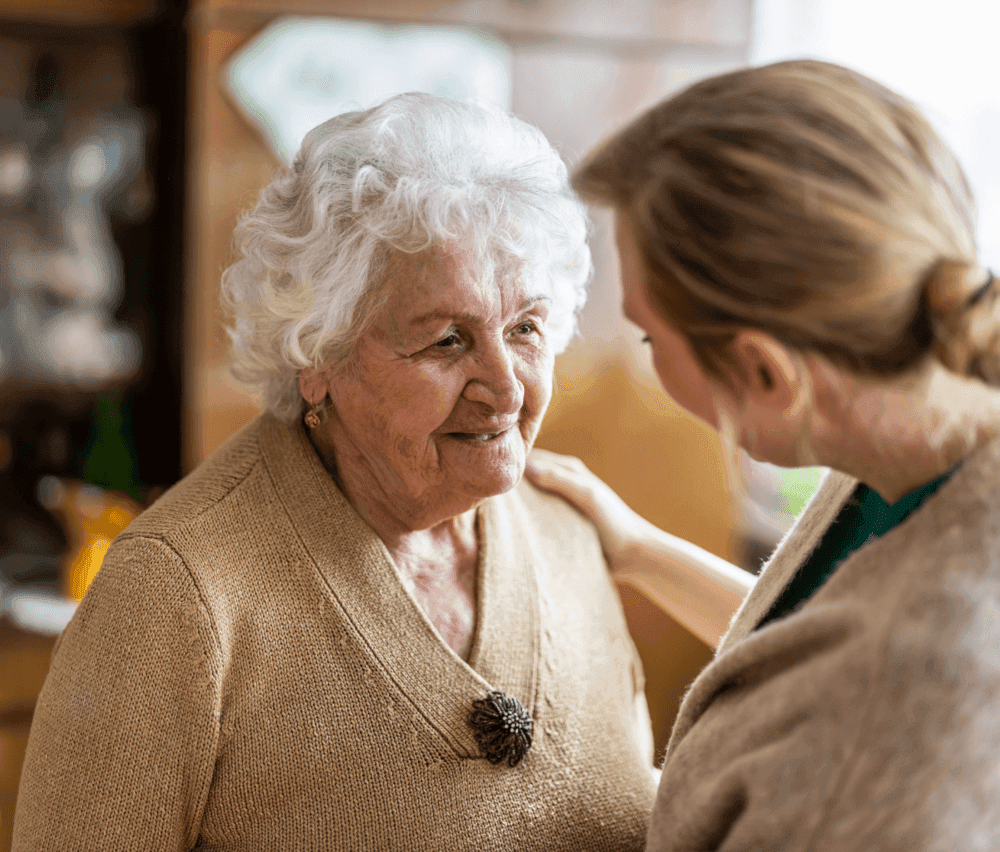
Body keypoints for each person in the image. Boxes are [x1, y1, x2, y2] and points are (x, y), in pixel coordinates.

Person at [12, 92, 749, 851]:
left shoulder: (571, 532)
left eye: (526, 327)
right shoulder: (176, 593)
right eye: (446, 342)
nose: (506, 387)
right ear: (317, 355)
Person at [528, 59, 1000, 849]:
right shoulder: (909, 427)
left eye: (649, 335)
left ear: (764, 372)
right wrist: (636, 546)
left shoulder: (909, 706)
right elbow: (806, 646)